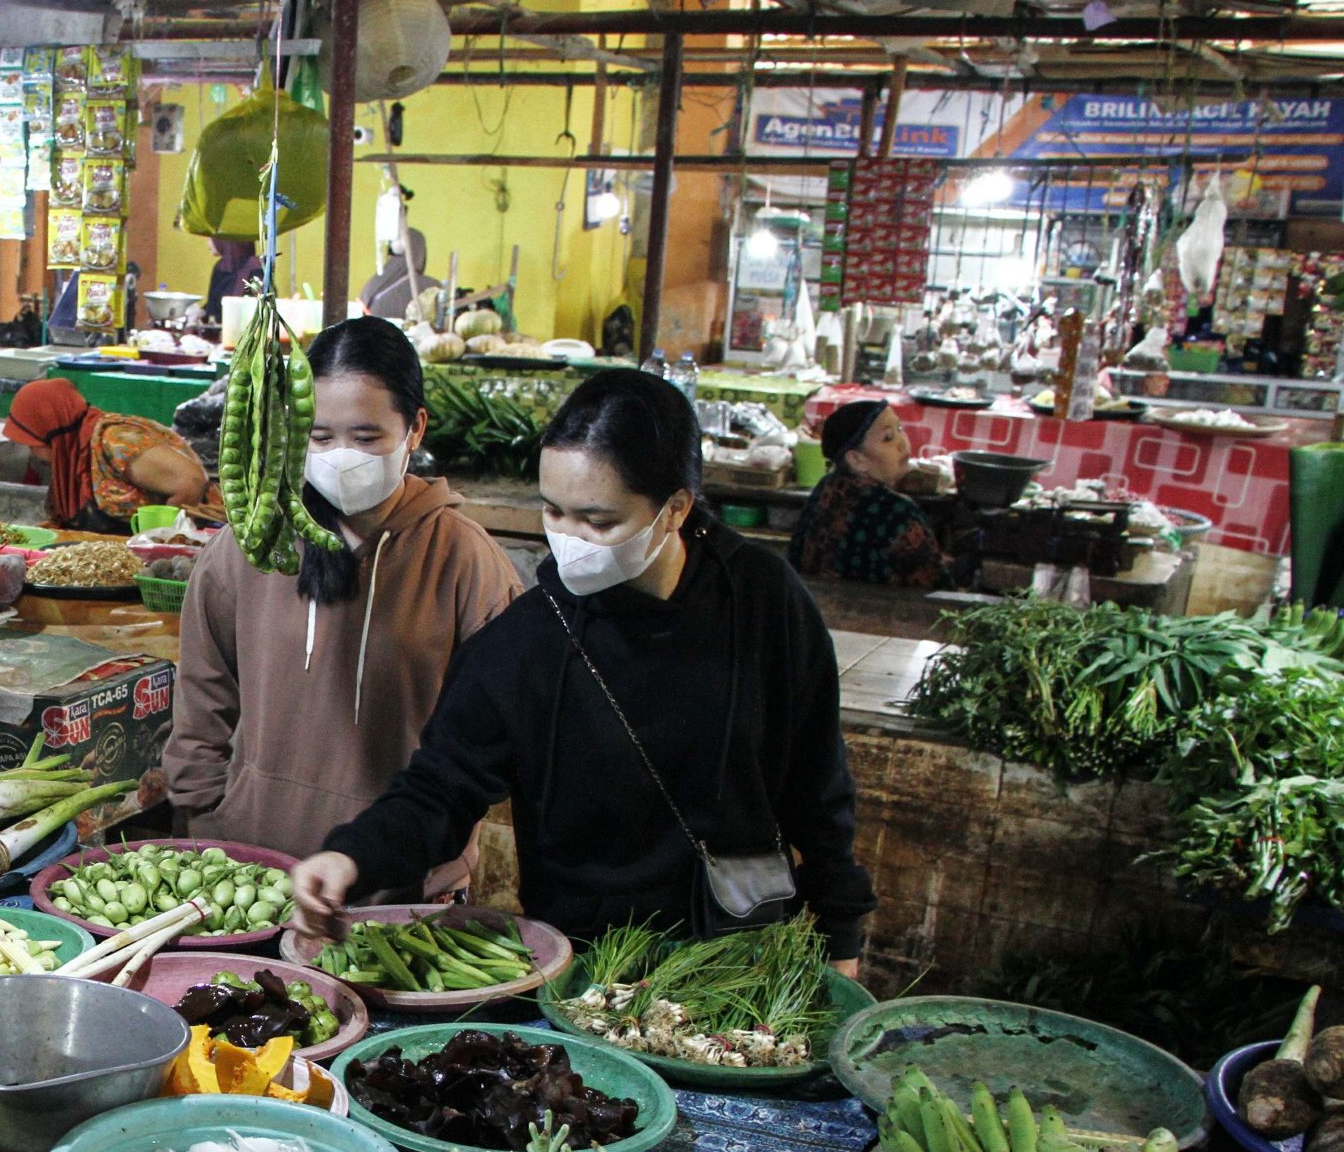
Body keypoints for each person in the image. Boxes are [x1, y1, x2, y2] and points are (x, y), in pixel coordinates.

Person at [289, 367, 875, 971]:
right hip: (589, 967)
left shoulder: (760, 598)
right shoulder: (528, 642)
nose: (570, 540)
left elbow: (817, 779)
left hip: (741, 953)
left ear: (674, 508)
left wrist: (841, 932)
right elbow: (441, 789)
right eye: (554, 512)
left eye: (598, 521)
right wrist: (351, 858)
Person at [161, 316, 520, 891]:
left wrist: (435, 854)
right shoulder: (251, 549)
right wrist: (205, 819)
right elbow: (203, 701)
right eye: (320, 437)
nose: (341, 456)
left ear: (415, 428)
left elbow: (494, 742)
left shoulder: (466, 563)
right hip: (245, 875)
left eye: (366, 437)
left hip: (398, 884)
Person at [4, 377, 216, 533]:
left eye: (32, 442)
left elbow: (192, 481)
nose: (31, 452)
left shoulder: (117, 441)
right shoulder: (73, 457)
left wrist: (161, 536)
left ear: (51, 430)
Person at [791, 399, 947, 589]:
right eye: (888, 438)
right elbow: (937, 586)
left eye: (900, 429)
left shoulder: (827, 486)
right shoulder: (898, 511)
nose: (902, 443)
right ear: (857, 460)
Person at [202, 236, 264, 326]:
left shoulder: (255, 268)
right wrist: (201, 312)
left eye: (212, 237)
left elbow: (256, 308)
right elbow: (213, 307)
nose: (209, 244)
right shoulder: (220, 267)